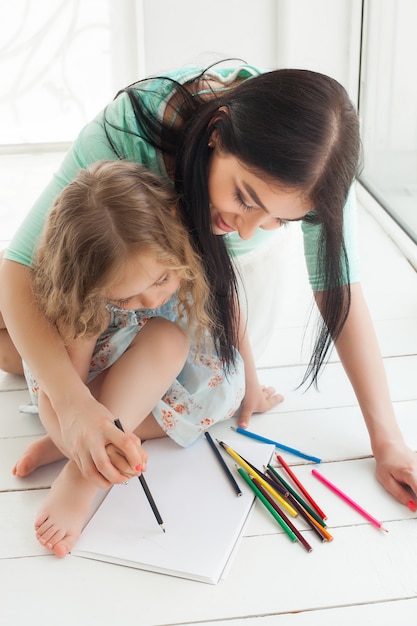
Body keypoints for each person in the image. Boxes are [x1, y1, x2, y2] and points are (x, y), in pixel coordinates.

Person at [1, 62, 416, 513]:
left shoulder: (317, 172)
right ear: (215, 133)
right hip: (91, 284)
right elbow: (21, 266)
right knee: (28, 333)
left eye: (278, 221)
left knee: (214, 381)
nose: (246, 233)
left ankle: (80, 426)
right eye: (243, 198)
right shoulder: (135, 129)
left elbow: (338, 291)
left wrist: (388, 443)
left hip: (163, 310)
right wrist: (74, 406)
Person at [13, 159, 250, 556]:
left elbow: (232, 318)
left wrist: (254, 387)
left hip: (143, 378)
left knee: (225, 388)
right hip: (87, 386)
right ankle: (83, 474)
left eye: (161, 280)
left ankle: (94, 442)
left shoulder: (189, 249)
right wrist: (71, 435)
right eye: (124, 298)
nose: (154, 300)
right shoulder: (86, 300)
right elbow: (64, 398)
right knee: (167, 341)